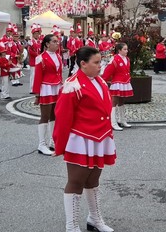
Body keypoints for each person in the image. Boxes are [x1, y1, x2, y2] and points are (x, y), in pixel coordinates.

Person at [54, 46, 116, 232]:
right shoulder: (72, 85)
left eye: (100, 62)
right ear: (83, 64)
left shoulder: (100, 82)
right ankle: (71, 226)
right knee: (76, 181)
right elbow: (63, 117)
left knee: (93, 179)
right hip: (81, 140)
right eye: (96, 63)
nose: (100, 66)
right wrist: (60, 145)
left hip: (100, 137)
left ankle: (94, 219)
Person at [32, 34, 63, 156]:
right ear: (47, 44)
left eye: (57, 41)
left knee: (54, 115)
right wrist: (37, 95)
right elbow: (37, 77)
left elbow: (59, 73)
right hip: (46, 88)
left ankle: (52, 140)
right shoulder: (41, 58)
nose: (57, 43)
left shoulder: (58, 56)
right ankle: (41, 144)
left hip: (56, 87)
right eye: (54, 41)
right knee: (44, 116)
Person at [102, 42, 133, 131]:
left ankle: (122, 120)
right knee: (114, 101)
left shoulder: (127, 59)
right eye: (124, 49)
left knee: (122, 101)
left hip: (125, 82)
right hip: (117, 83)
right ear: (119, 50)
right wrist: (104, 80)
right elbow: (109, 70)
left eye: (127, 49)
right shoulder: (115, 59)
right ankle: (113, 122)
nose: (126, 51)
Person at [27, 23, 42, 92]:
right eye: (35, 34)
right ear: (33, 34)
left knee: (37, 75)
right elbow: (30, 51)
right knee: (33, 75)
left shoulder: (39, 42)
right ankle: (31, 89)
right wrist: (37, 55)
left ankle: (36, 88)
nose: (37, 35)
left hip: (38, 60)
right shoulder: (31, 42)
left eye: (37, 34)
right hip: (33, 61)